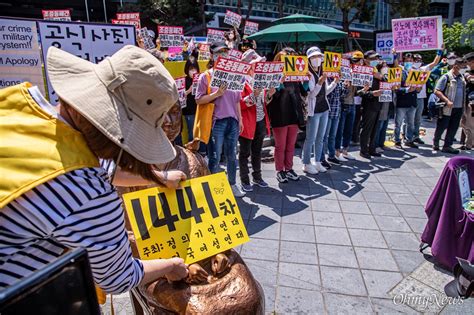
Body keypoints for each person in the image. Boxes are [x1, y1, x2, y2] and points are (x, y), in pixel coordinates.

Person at [0, 45, 188, 292]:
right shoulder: (88, 192)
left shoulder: (16, 105)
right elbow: (117, 278)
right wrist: (172, 266)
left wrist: (157, 178)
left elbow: (78, 163)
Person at [195, 42, 245, 197]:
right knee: (215, 157)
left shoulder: (234, 75)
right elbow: (198, 99)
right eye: (218, 53)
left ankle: (232, 184)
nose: (222, 56)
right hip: (216, 122)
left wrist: (240, 119)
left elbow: (237, 100)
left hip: (233, 121)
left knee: (232, 155)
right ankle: (213, 188)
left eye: (225, 52)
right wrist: (216, 95)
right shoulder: (206, 76)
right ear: (212, 55)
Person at [267, 47, 306, 183]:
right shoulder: (273, 77)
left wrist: (306, 79)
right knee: (280, 146)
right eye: (283, 61)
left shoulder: (295, 76)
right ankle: (280, 170)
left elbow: (304, 91)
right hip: (279, 116)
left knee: (290, 145)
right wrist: (279, 82)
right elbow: (271, 95)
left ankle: (289, 169)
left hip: (294, 116)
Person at [238, 49, 273, 192]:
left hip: (260, 120)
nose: (259, 67)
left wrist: (269, 95)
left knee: (257, 151)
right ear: (249, 66)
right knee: (245, 152)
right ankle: (244, 180)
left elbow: (265, 102)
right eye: (256, 64)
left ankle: (257, 177)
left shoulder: (261, 79)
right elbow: (239, 104)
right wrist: (254, 95)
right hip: (246, 122)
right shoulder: (241, 81)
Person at [301, 46, 337, 174]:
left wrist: (335, 83)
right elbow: (311, 94)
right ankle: (306, 163)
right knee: (310, 138)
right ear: (309, 59)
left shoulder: (323, 71)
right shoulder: (308, 73)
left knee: (321, 137)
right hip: (313, 110)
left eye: (319, 56)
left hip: (324, 108)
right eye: (314, 57)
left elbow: (325, 91)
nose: (317, 59)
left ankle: (317, 161)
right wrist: (319, 82)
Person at [433, 56, 467, 154]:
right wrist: (447, 100)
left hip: (459, 108)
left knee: (454, 127)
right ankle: (436, 142)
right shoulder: (446, 77)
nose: (464, 68)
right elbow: (437, 91)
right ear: (456, 66)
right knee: (442, 126)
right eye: (463, 66)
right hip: (447, 107)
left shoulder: (462, 78)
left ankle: (447, 145)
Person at [335, 51, 363, 161]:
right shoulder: (344, 73)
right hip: (343, 104)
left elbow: (356, 92)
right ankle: (337, 152)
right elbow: (341, 91)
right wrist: (346, 84)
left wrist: (363, 89)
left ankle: (345, 150)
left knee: (349, 129)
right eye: (355, 61)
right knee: (340, 129)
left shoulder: (357, 74)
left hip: (352, 104)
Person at [357, 50, 383, 159]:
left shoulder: (378, 71)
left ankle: (372, 148)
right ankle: (363, 150)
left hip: (378, 104)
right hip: (368, 104)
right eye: (372, 59)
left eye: (376, 59)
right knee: (366, 128)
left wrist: (381, 77)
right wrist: (372, 93)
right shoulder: (362, 72)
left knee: (375, 128)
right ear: (365, 60)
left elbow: (387, 82)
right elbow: (359, 91)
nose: (375, 61)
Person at [322, 77, 350, 165]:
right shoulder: (326, 79)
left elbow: (342, 95)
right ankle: (321, 158)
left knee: (332, 136)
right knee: (324, 137)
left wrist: (345, 86)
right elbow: (327, 93)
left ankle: (331, 155)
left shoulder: (338, 79)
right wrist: (334, 82)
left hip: (336, 111)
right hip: (328, 111)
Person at [393, 69, 420, 149]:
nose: (410, 61)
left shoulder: (416, 73)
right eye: (408, 59)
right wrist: (407, 90)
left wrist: (418, 88)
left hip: (412, 103)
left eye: (411, 60)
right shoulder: (400, 73)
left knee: (411, 123)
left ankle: (409, 140)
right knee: (398, 123)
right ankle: (397, 140)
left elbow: (418, 90)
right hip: (402, 103)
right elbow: (395, 88)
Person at [181, 57, 200, 144]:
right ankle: (191, 151)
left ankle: (202, 152)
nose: (193, 71)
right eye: (191, 69)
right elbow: (180, 96)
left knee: (200, 131)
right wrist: (189, 90)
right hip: (188, 110)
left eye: (194, 68)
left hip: (199, 109)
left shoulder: (200, 78)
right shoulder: (183, 80)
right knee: (191, 132)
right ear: (187, 69)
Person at [460, 52, 474, 150]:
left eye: (467, 62)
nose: (466, 64)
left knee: (470, 123)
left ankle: (469, 144)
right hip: (464, 100)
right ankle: (470, 142)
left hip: (472, 102)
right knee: (463, 122)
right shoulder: (465, 72)